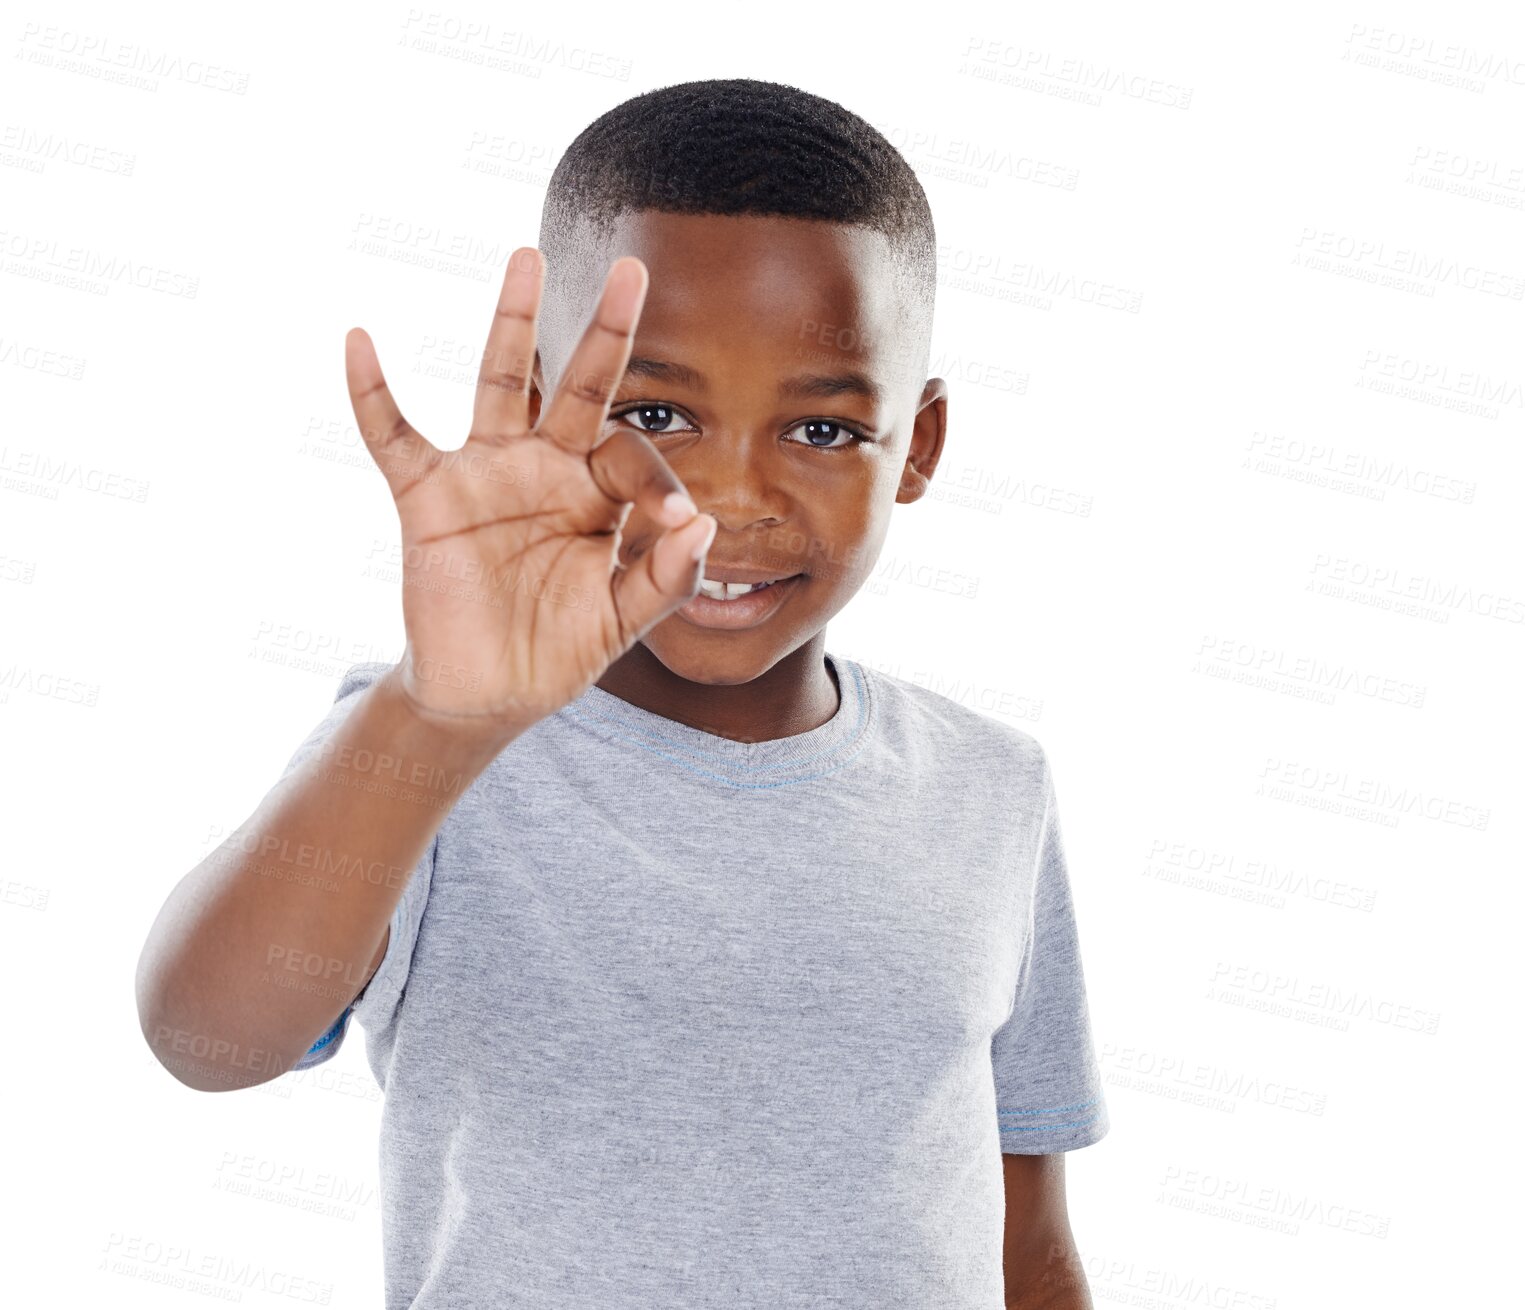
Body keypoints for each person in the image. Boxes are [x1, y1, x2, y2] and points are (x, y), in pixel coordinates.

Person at [136, 77, 1109, 1309]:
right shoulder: (431, 747)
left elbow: (1028, 1236)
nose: (728, 500)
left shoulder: (991, 787)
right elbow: (203, 1038)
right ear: (548, 415)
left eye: (817, 432)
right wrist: (434, 718)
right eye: (656, 414)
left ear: (916, 445)